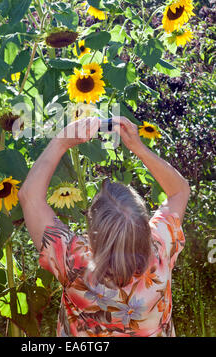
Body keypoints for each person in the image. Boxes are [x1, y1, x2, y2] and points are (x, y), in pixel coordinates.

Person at [18, 116, 190, 337]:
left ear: (93, 231)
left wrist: (61, 141)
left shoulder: (74, 263)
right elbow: (179, 191)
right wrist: (138, 147)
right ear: (143, 225)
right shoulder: (160, 251)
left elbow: (29, 196)